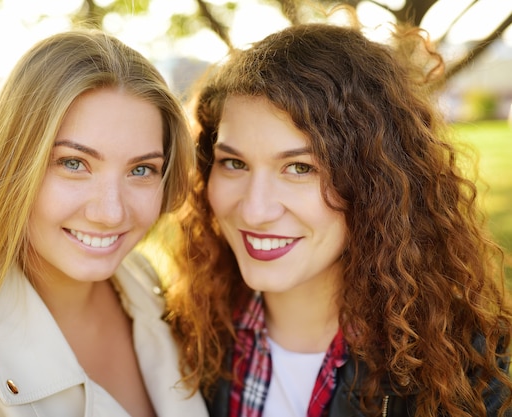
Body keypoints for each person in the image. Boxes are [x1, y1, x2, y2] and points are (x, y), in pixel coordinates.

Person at [165, 17, 512, 417]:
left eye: (300, 168)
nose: (256, 210)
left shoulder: (464, 369)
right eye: (233, 163)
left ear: (374, 184)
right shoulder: (179, 339)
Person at [0, 30, 208, 417]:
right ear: (9, 168)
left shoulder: (142, 283)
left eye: (141, 169)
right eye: (73, 163)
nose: (111, 213)